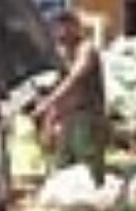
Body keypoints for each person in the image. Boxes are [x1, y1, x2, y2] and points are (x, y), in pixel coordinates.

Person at [36, 11, 110, 184]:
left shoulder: (86, 49)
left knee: (89, 173)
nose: (60, 35)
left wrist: (48, 102)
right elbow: (58, 86)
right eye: (57, 30)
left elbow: (74, 79)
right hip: (67, 120)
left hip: (88, 118)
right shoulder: (61, 54)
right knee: (62, 171)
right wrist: (49, 122)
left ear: (75, 28)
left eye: (65, 29)